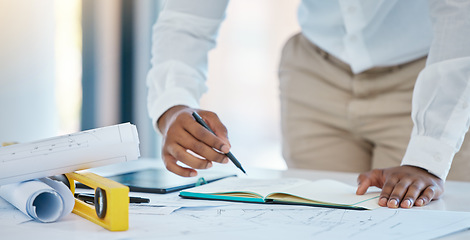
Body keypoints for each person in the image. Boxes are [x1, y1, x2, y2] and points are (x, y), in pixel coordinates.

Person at [146, 0, 470, 208]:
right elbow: (187, 17)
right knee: (314, 216)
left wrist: (429, 154)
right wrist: (173, 103)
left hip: (434, 75)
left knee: (417, 215)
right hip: (314, 73)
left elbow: (461, 15)